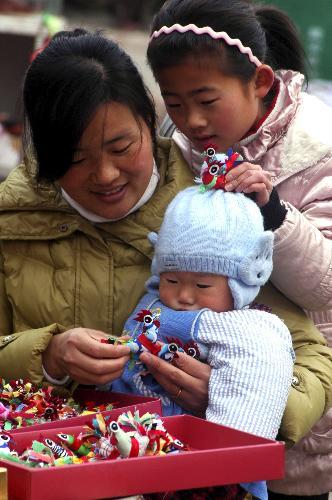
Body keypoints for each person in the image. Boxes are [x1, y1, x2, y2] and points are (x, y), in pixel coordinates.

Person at [0, 26, 330, 496]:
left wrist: (233, 394)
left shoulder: (211, 211)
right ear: (46, 154)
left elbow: (314, 358)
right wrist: (45, 356)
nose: (106, 174)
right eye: (76, 158)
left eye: (121, 147)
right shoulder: (11, 223)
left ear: (147, 122)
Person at [146, 0, 332, 496]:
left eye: (207, 100)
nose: (192, 120)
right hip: (186, 403)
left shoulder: (318, 150)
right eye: (176, 103)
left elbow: (325, 289)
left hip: (297, 418)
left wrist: (273, 213)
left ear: (262, 82)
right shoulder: (176, 151)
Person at [113, 184, 295, 444]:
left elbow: (253, 394)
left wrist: (232, 460)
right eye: (172, 280)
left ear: (240, 284)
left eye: (202, 285)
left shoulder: (244, 329)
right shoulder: (152, 302)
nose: (184, 296)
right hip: (117, 430)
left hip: (179, 446)